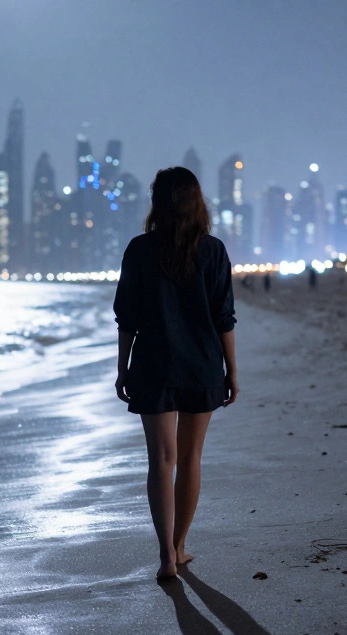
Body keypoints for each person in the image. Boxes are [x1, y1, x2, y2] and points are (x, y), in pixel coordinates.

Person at [114, 166, 239, 582]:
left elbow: (126, 316)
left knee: (161, 461)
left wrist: (121, 368)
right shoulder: (214, 250)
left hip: (152, 365)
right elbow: (224, 317)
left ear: (158, 202)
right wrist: (232, 371)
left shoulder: (139, 249)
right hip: (202, 364)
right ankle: (180, 545)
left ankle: (166, 555)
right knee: (190, 458)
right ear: (196, 203)